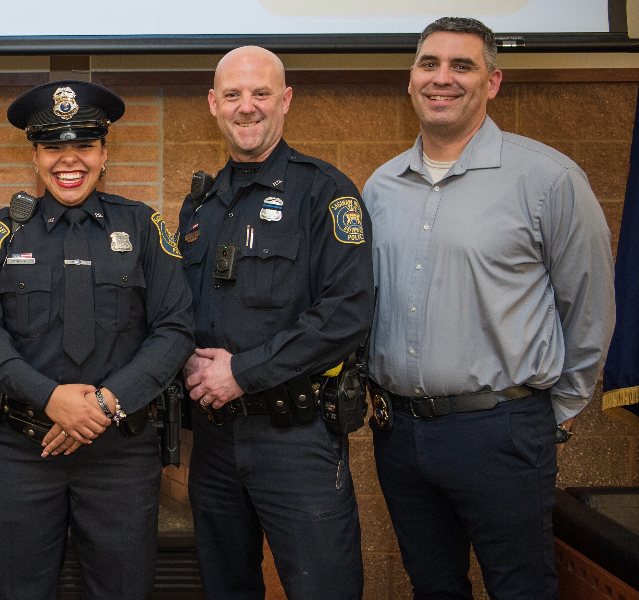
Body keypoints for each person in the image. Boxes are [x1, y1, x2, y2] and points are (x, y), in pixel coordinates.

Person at [363, 17, 615, 600]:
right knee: (433, 586)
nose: (442, 78)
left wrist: (560, 406)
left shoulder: (548, 180)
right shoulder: (380, 187)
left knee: (520, 588)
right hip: (400, 434)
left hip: (502, 430)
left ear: (493, 81)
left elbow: (591, 301)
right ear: (411, 79)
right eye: (429, 64)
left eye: (462, 66)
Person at [0, 80, 194, 600]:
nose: (70, 161)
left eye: (84, 145)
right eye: (53, 147)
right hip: (22, 449)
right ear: (35, 155)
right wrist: (49, 397)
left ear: (105, 152)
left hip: (121, 453)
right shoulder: (1, 233)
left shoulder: (145, 227)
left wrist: (106, 404)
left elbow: (175, 328)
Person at [177, 46, 373, 600]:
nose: (247, 108)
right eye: (233, 95)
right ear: (213, 105)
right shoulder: (201, 206)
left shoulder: (325, 192)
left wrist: (243, 370)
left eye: (261, 93)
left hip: (297, 439)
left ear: (285, 101)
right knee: (226, 587)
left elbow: (347, 312)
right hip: (215, 442)